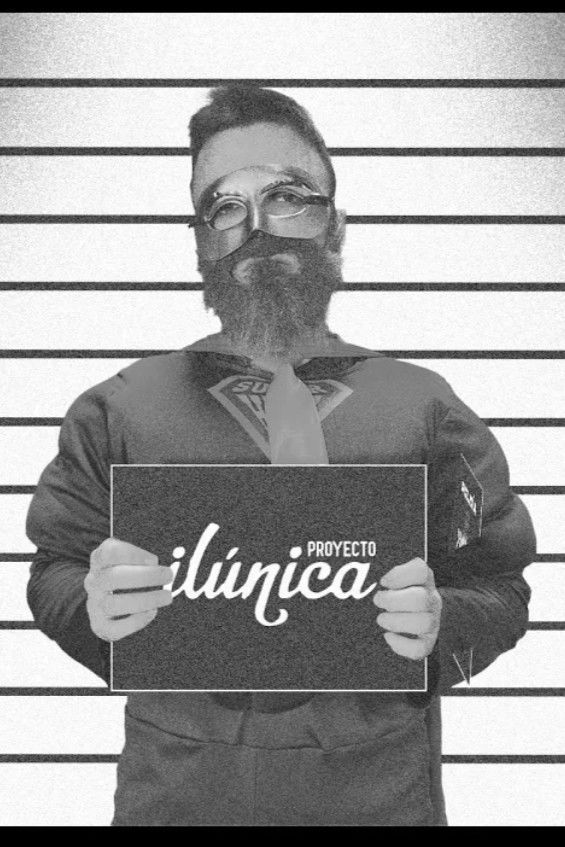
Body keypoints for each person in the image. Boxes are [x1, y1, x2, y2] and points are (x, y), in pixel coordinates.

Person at [26, 85, 537, 827]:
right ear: (200, 240)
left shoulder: (426, 407)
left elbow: (500, 586)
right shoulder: (118, 409)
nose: (256, 227)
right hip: (178, 800)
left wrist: (441, 626)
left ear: (337, 225)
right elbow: (54, 571)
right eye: (224, 206)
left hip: (380, 799)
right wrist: (93, 609)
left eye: (287, 196)